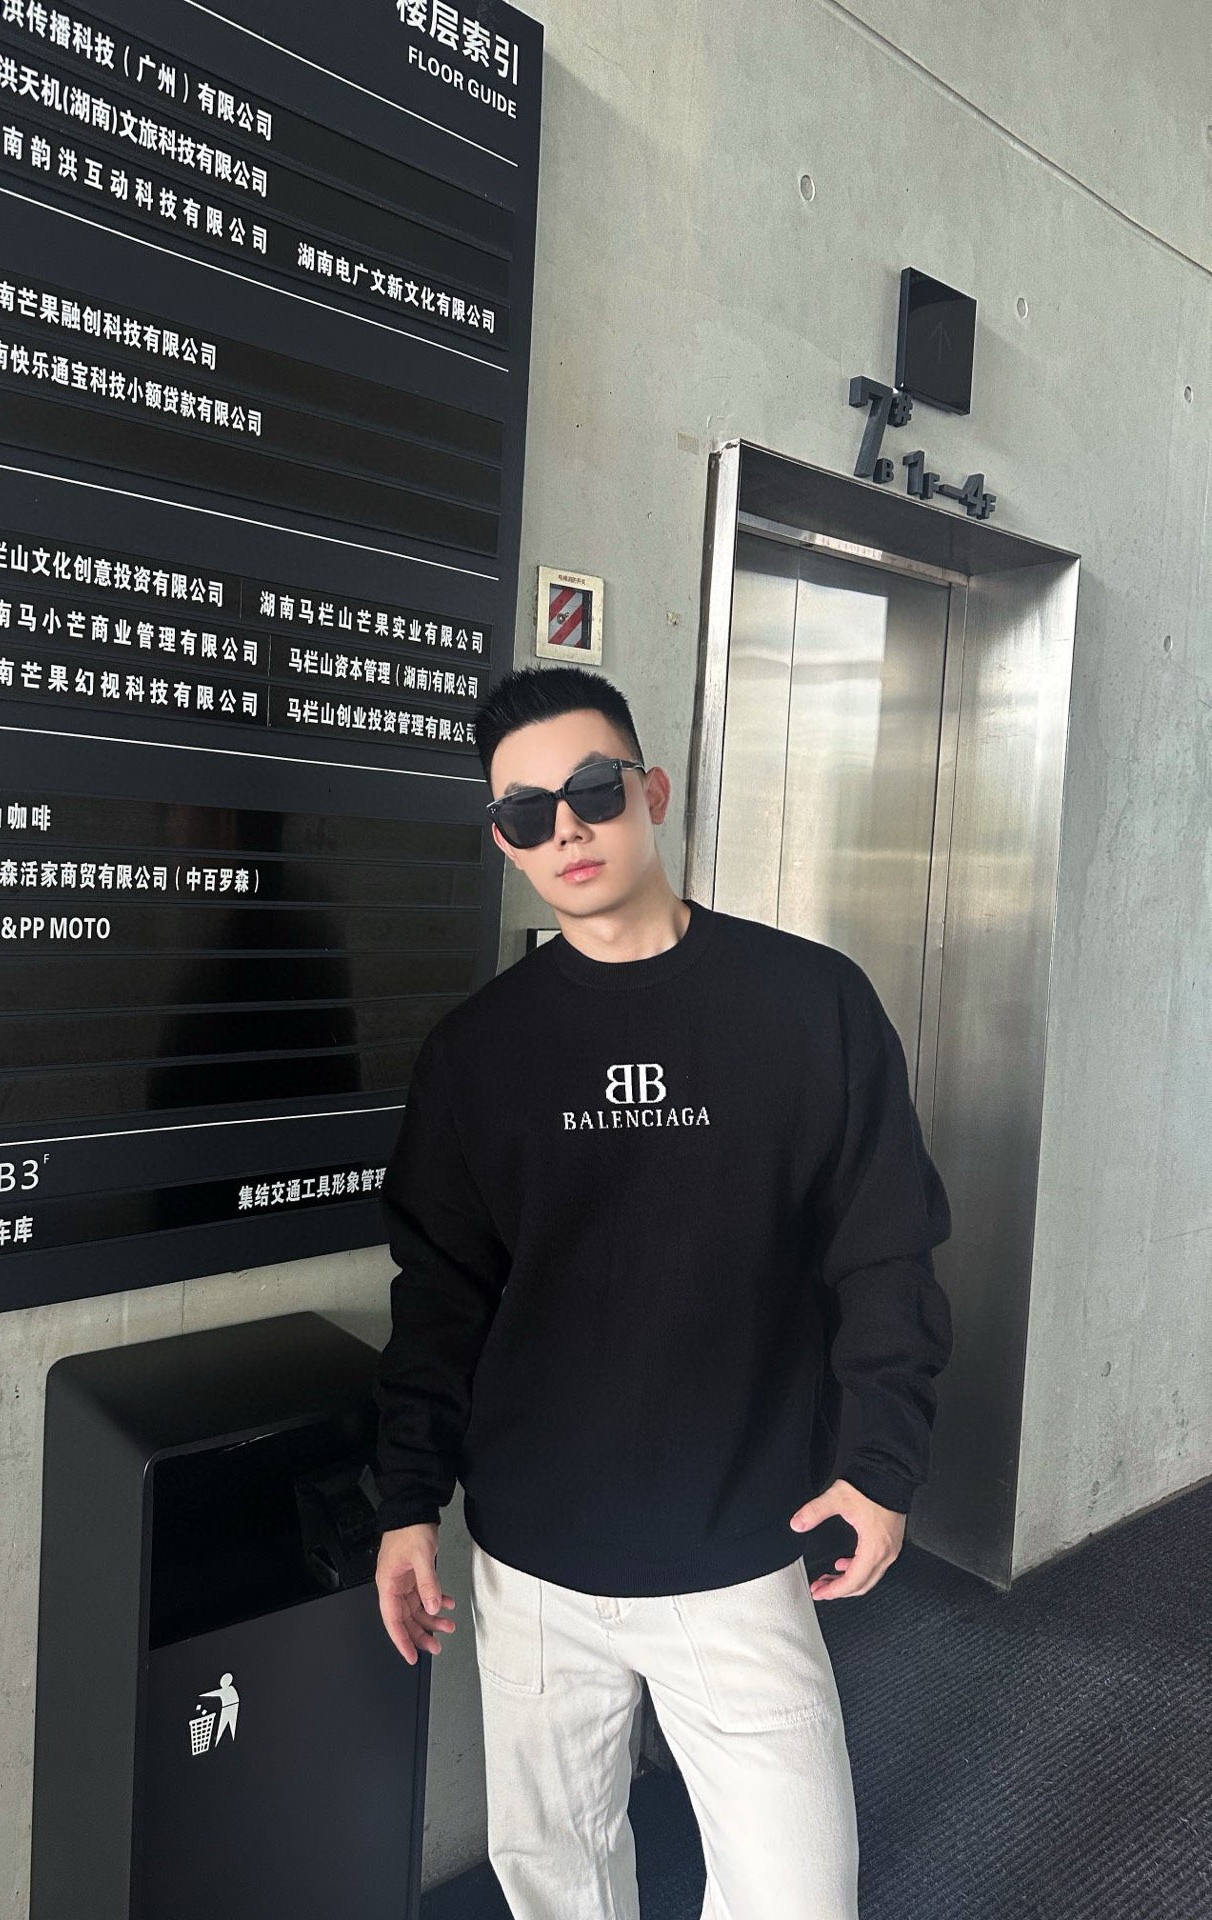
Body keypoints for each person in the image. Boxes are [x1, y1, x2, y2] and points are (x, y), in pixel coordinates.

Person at [371, 664, 954, 1919]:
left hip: (737, 1542)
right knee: (557, 1882)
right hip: (534, 1561)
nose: (566, 828)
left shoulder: (810, 1004)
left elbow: (885, 1249)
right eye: (526, 812)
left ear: (653, 791)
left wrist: (882, 1462)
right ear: (501, 840)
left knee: (798, 1895)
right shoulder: (477, 1053)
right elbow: (441, 1295)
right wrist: (408, 1501)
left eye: (593, 789)